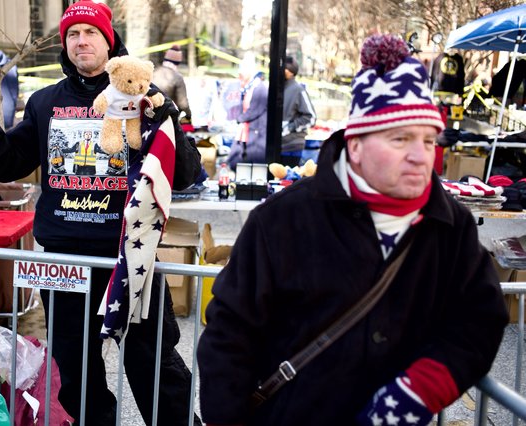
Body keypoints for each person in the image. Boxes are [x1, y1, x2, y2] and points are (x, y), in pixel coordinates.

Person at [197, 34, 508, 426]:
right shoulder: (282, 219)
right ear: (356, 145)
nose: (420, 155)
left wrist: (417, 392)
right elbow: (228, 336)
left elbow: (479, 319)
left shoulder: (451, 224)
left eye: (429, 140)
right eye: (400, 138)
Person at [0, 2, 202, 426]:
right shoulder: (44, 102)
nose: (81, 41)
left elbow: (185, 174)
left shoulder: (141, 96)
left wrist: (164, 117)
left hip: (129, 256)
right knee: (76, 373)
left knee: (155, 365)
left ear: (108, 41)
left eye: (91, 33)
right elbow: (8, 162)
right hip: (65, 263)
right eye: (73, 34)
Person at [226, 59, 268, 170]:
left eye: (242, 73)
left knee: (254, 168)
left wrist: (239, 119)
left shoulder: (260, 88)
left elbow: (254, 110)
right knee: (235, 162)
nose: (240, 76)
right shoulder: (248, 87)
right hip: (246, 132)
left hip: (256, 135)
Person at [281, 55, 316, 167]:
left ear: (290, 72)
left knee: (288, 181)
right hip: (279, 145)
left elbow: (311, 118)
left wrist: (290, 127)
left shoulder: (298, 90)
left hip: (291, 146)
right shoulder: (280, 88)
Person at [152, 44, 192, 121]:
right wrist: (189, 115)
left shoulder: (154, 72)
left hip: (148, 114)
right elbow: (183, 104)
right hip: (167, 117)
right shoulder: (177, 77)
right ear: (178, 62)